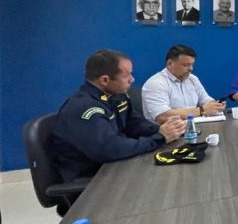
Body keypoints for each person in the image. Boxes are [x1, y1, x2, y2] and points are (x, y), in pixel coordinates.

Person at [51, 49, 185, 184]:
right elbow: (110, 149)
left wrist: (166, 130)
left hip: (115, 164)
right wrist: (159, 138)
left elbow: (135, 124)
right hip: (91, 176)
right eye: (127, 76)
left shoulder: (116, 95)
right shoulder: (85, 108)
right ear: (105, 80)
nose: (132, 79)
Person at [141, 44, 225, 124]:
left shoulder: (193, 79)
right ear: (170, 64)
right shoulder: (155, 83)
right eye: (186, 65)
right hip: (165, 132)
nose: (191, 69)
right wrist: (202, 110)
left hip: (193, 128)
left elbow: (205, 99)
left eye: (192, 64)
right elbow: (162, 115)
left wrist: (215, 106)